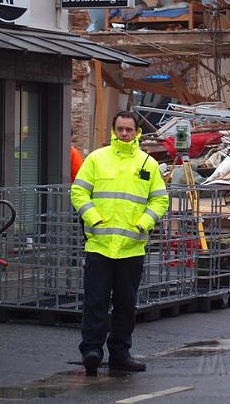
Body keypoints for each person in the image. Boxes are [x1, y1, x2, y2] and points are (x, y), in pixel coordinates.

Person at [71, 111, 169, 376]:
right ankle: (91, 350)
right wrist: (94, 219)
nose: (124, 134)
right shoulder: (96, 159)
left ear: (137, 132)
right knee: (95, 302)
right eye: (120, 129)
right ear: (113, 131)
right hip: (99, 245)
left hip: (131, 248)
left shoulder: (148, 164)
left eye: (129, 129)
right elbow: (78, 191)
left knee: (126, 305)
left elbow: (160, 200)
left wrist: (144, 223)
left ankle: (120, 354)